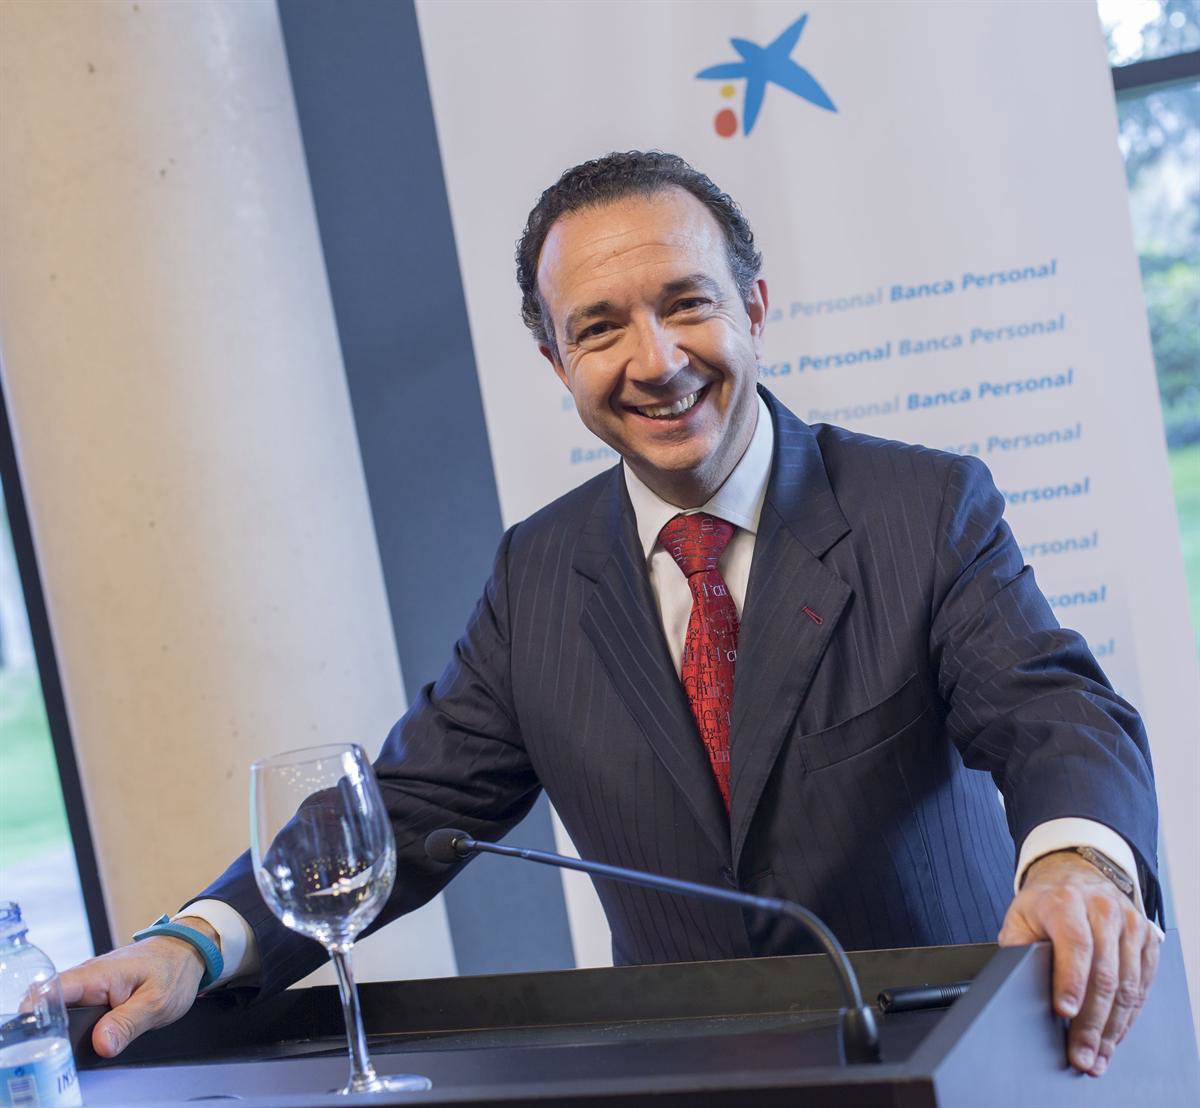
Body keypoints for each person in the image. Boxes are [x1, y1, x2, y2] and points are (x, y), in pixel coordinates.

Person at [61, 152, 1162, 1078]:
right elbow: (403, 807)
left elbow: (1055, 711)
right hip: (690, 1079)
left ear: (754, 309)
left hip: (948, 1061)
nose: (656, 361)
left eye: (687, 302)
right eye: (598, 328)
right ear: (557, 361)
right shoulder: (538, 574)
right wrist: (195, 944)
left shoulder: (923, 509)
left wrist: (1077, 866)